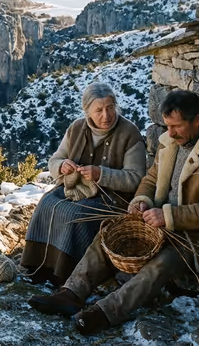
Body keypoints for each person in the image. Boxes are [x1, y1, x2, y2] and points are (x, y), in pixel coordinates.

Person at [27, 89, 199, 336]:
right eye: (167, 126)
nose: (170, 133)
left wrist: (168, 216)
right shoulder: (171, 144)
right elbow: (150, 180)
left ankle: (105, 312)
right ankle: (71, 292)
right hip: (163, 223)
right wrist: (142, 200)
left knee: (163, 262)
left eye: (176, 126)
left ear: (197, 120)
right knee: (108, 235)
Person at [20, 82, 146, 286]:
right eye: (99, 110)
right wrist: (62, 166)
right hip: (78, 189)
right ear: (87, 110)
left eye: (110, 108)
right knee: (47, 202)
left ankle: (65, 273)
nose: (106, 115)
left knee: (75, 215)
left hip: (112, 199)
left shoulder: (129, 133)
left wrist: (101, 174)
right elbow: (54, 160)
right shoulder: (76, 128)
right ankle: (37, 265)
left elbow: (136, 178)